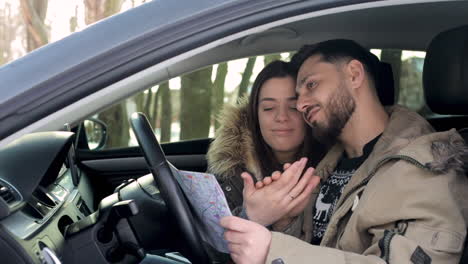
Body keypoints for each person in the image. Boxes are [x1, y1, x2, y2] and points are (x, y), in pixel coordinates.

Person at [220, 39, 468, 263]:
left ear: (354, 74)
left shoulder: (427, 169)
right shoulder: (328, 165)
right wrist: (284, 222)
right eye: (299, 93)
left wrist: (273, 251)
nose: (302, 103)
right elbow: (318, 246)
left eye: (311, 84)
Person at [207, 60, 324, 227]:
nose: (281, 117)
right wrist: (251, 217)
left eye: (293, 107)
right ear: (255, 116)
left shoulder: (337, 166)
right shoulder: (228, 171)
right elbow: (209, 248)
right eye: (269, 108)